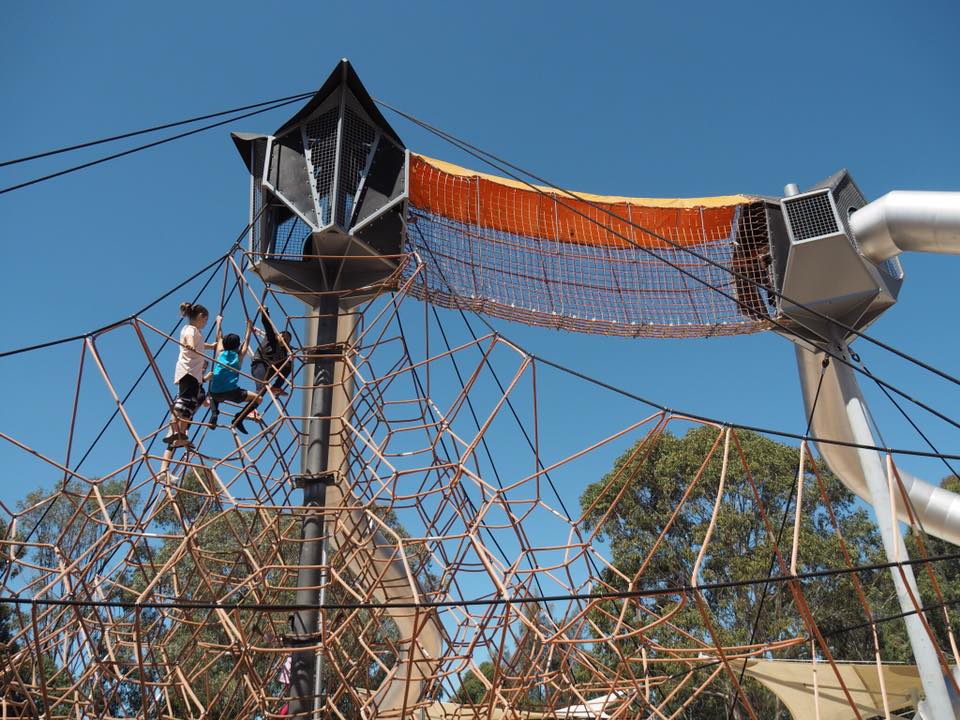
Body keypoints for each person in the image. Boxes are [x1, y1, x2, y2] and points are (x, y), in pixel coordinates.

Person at [208, 319, 261, 434]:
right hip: (231, 392)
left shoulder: (220, 352)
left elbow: (219, 337)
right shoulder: (239, 357)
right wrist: (249, 327)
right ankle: (239, 417)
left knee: (212, 389)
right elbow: (246, 341)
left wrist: (218, 322)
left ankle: (214, 412)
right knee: (258, 398)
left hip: (215, 393)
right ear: (237, 346)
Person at [250, 307, 292, 396]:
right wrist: (265, 311)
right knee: (262, 390)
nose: (284, 338)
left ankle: (276, 387)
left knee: (288, 365)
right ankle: (252, 406)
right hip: (260, 364)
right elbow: (267, 325)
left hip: (271, 368)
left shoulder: (285, 351)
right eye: (283, 336)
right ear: (278, 335)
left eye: (287, 339)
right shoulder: (271, 338)